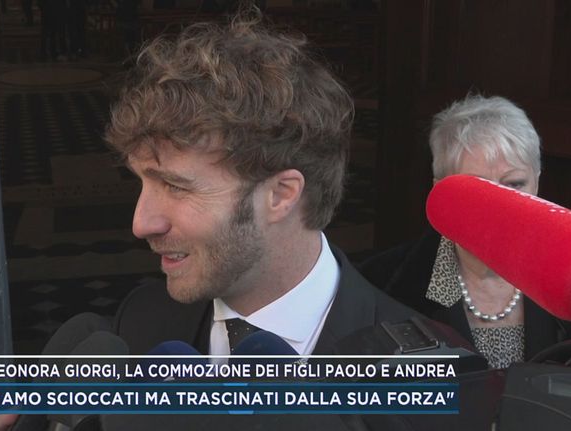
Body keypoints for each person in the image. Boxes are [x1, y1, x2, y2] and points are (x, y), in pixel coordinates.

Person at [106, 10, 416, 357]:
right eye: (143, 183)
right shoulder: (140, 321)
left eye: (176, 187)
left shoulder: (425, 372)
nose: (141, 224)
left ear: (281, 195)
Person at [359, 95, 571, 369]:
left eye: (515, 184)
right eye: (479, 189)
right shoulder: (382, 285)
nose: (502, 208)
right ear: (441, 192)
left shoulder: (569, 276)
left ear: (537, 182)